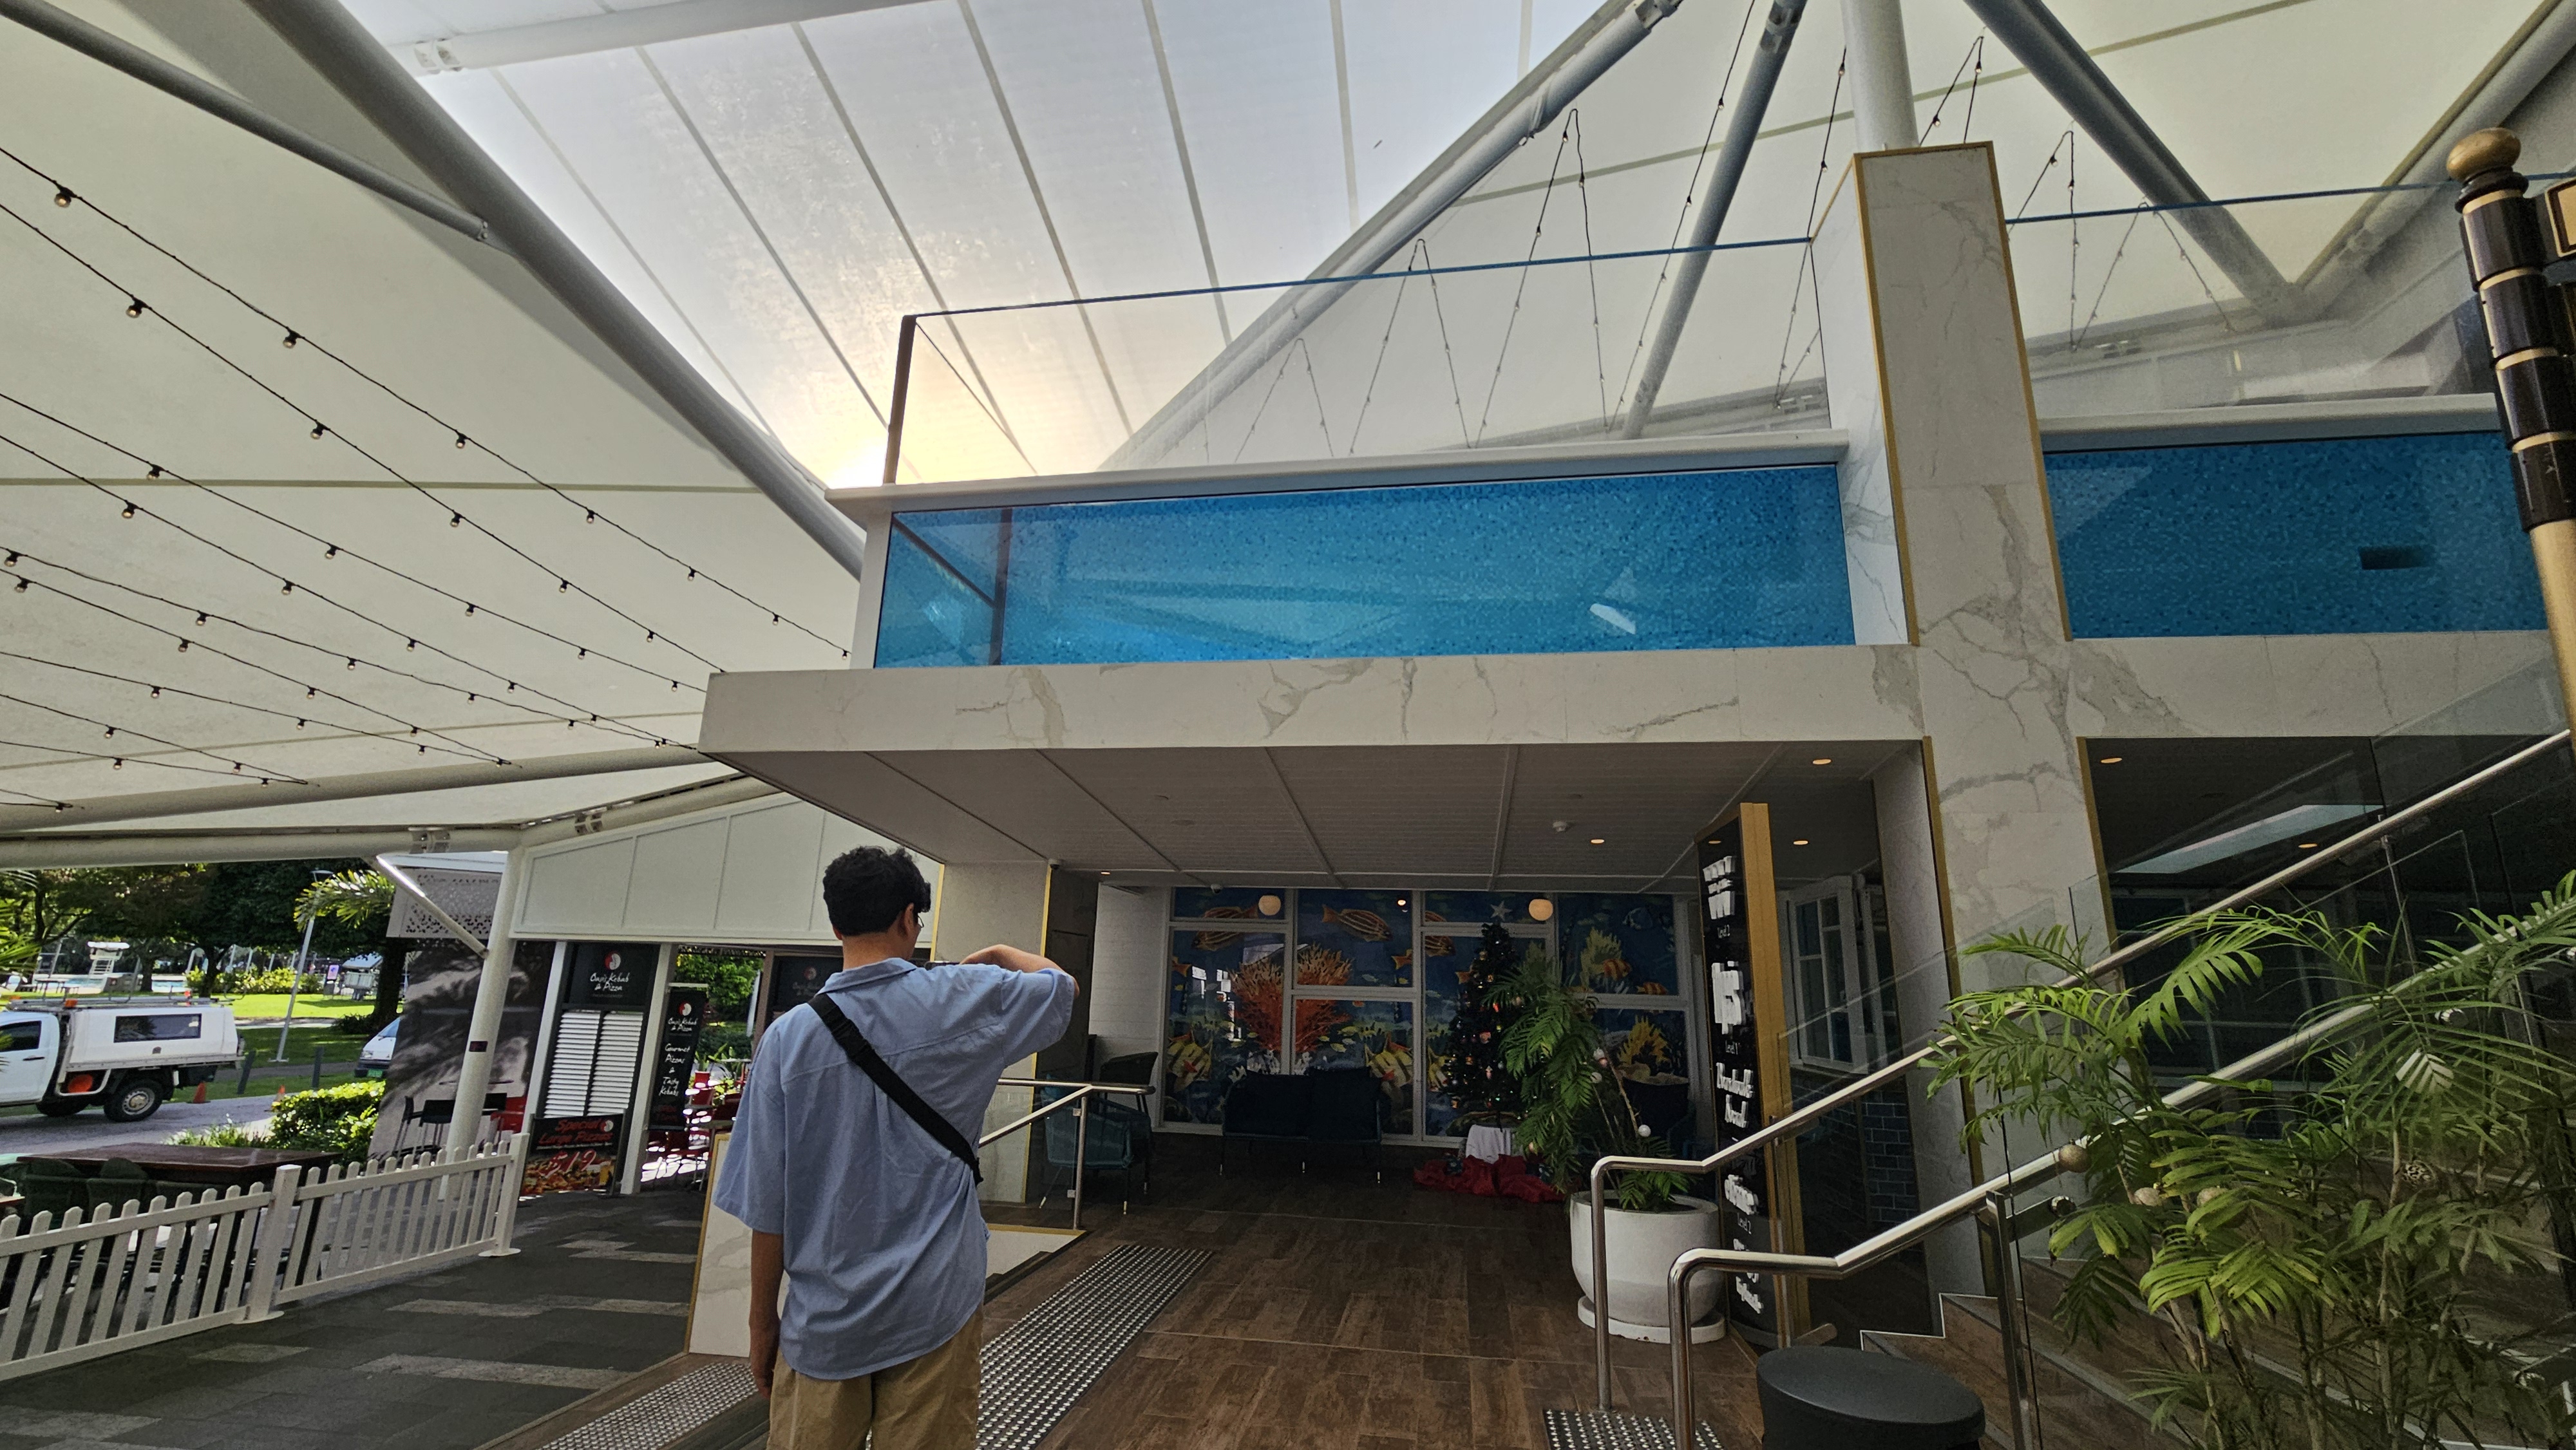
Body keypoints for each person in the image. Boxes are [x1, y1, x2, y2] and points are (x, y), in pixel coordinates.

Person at [715, 846, 1077, 1450]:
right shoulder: (964, 997)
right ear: (910, 918)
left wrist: (761, 1324)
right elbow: (1059, 986)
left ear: (836, 926)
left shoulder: (786, 1039)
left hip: (824, 1321)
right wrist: (997, 955)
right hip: (935, 1304)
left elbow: (766, 1204)